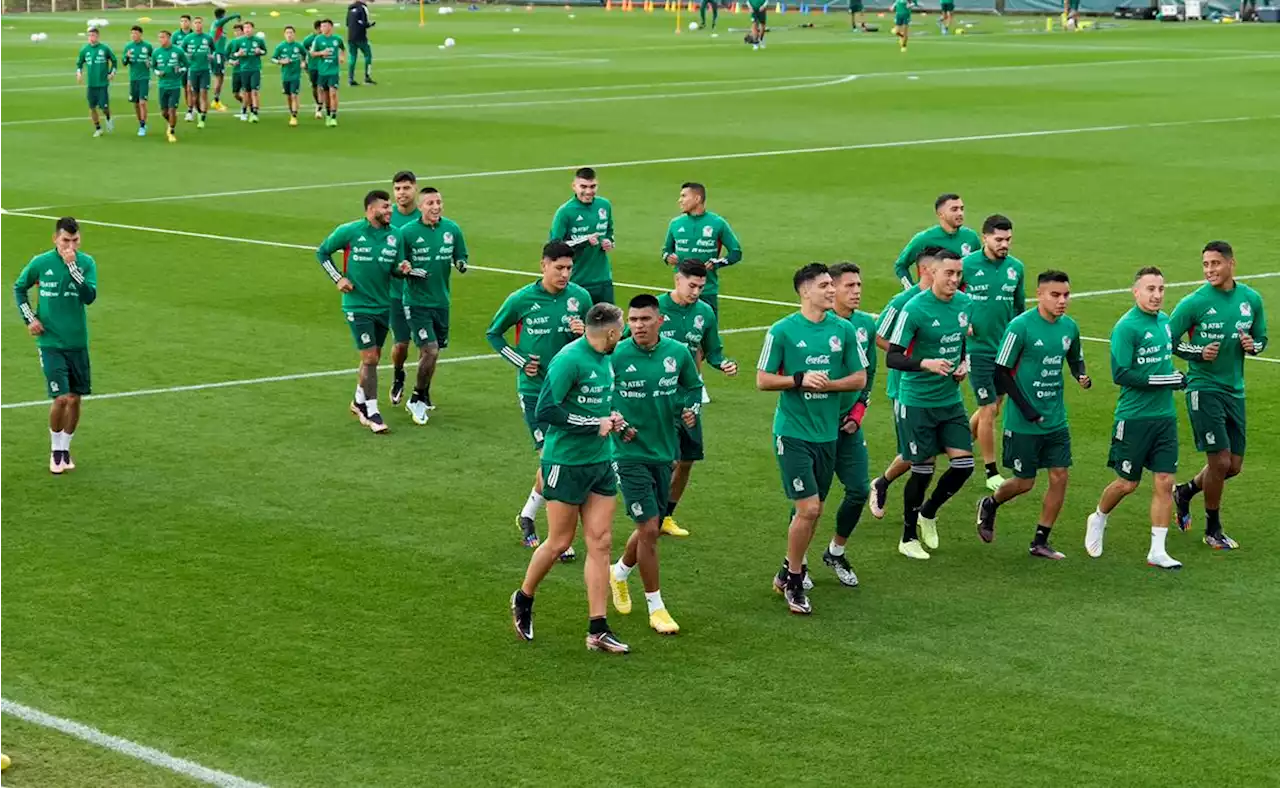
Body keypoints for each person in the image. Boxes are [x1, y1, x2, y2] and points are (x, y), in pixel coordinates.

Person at [510, 303, 630, 654]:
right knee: (560, 542)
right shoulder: (569, 359)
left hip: (600, 461)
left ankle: (598, 628)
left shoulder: (606, 357)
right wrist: (594, 425)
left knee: (602, 542)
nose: (621, 335)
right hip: (564, 462)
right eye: (619, 329)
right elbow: (547, 410)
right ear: (609, 332)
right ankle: (524, 596)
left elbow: (594, 404)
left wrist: (611, 417)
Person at [757, 263, 867, 615]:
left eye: (831, 286)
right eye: (824, 286)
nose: (832, 291)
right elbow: (762, 379)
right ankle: (794, 578)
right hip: (792, 432)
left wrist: (829, 384)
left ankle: (785, 569)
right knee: (810, 508)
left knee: (812, 511)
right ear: (805, 291)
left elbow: (859, 377)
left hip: (827, 433)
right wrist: (799, 379)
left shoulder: (844, 330)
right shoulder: (782, 331)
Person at [976, 270, 1090, 559]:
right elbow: (1001, 372)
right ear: (1039, 294)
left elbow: (1075, 358)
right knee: (1024, 482)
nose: (1062, 301)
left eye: (1066, 295)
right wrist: (1026, 409)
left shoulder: (1070, 328)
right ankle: (991, 503)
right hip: (1023, 421)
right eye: (1055, 295)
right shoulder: (1020, 327)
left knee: (1060, 475)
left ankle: (1040, 540)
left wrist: (1081, 375)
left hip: (1055, 418)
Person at [486, 242, 591, 553]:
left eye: (569, 268)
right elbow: (493, 333)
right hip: (536, 392)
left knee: (562, 458)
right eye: (558, 267)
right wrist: (520, 361)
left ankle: (527, 515)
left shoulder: (580, 297)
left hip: (570, 392)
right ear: (543, 265)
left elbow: (595, 340)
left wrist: (583, 332)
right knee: (552, 457)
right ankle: (558, 537)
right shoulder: (522, 299)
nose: (564, 274)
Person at [609, 295, 702, 635]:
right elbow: (597, 394)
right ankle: (656, 607)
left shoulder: (677, 353)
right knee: (649, 529)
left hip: (664, 452)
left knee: (650, 524)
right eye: (633, 320)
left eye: (645, 319)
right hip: (627, 453)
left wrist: (692, 408)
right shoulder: (616, 355)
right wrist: (615, 419)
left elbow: (693, 387)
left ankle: (618, 572)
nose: (638, 326)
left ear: (660, 320)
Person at [1085, 267, 1187, 569]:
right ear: (1136, 292)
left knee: (1165, 482)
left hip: (1164, 417)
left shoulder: (1165, 322)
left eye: (1161, 289)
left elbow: (1166, 361)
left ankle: (1157, 550)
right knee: (1127, 483)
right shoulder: (1126, 328)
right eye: (1150, 289)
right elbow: (1121, 374)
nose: (1157, 295)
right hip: (1134, 418)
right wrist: (1167, 380)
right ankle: (1099, 517)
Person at [1170, 241, 1267, 550]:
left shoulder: (1250, 299)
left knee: (1233, 466)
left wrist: (1254, 346)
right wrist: (1197, 352)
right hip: (1203, 387)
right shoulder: (1194, 302)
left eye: (1215, 263)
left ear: (1231, 264)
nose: (1209, 270)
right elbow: (1166, 340)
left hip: (1234, 390)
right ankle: (1213, 528)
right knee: (1220, 461)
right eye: (1205, 265)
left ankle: (1185, 491)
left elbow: (1262, 338)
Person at [885, 250, 976, 560]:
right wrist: (925, 362)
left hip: (950, 399)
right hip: (917, 401)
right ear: (932, 273)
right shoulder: (914, 309)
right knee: (922, 471)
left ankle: (929, 512)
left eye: (958, 274)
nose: (954, 280)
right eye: (948, 274)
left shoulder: (965, 304)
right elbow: (892, 356)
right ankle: (908, 536)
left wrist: (964, 363)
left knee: (964, 466)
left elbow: (961, 341)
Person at [314, 190, 413, 435]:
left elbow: (395, 268)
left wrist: (403, 268)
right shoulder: (350, 231)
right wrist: (338, 278)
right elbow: (322, 252)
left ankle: (358, 401)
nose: (389, 211)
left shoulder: (395, 236)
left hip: (383, 305)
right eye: (384, 207)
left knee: (373, 357)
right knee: (370, 358)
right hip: (357, 306)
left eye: (390, 207)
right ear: (370, 210)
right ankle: (372, 410)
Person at [655, 260, 738, 537]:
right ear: (677, 280)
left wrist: (723, 363)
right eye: (692, 285)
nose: (696, 292)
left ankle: (665, 516)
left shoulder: (705, 312)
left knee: (687, 460)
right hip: (657, 397)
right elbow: (626, 342)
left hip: (689, 397)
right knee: (668, 459)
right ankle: (650, 514)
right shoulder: (655, 309)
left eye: (701, 287)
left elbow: (713, 350)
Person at [12, 217, 98, 475]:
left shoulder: (86, 263)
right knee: (60, 398)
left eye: (74, 240)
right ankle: (55, 450)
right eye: (65, 241)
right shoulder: (41, 263)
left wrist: (73, 269)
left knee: (75, 399)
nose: (70, 246)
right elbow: (19, 288)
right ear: (55, 239)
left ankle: (65, 449)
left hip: (77, 342)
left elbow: (89, 297)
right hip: (50, 342)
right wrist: (30, 318)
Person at [868, 247, 939, 521]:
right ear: (925, 271)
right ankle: (885, 486)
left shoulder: (942, 302)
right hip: (906, 388)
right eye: (942, 271)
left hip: (936, 388)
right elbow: (879, 335)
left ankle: (916, 509)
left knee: (927, 452)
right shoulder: (903, 302)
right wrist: (915, 361)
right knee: (918, 453)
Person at [821, 262, 878, 587]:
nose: (857, 291)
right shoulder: (817, 326)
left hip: (848, 424)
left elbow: (867, 375)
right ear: (832, 289)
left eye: (859, 285)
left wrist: (858, 411)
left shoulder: (865, 326)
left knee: (858, 489)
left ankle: (835, 551)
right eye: (849, 286)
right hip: (815, 425)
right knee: (810, 501)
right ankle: (792, 565)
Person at [961, 214, 1025, 493]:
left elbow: (1020, 309)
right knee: (987, 408)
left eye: (1008, 239)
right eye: (998, 239)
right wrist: (963, 322)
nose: (1004, 244)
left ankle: (959, 443)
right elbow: (948, 297)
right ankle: (991, 471)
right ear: (984, 237)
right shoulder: (966, 266)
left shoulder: (1016, 268)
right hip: (978, 351)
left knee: (995, 406)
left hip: (1006, 350)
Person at [395, 187, 468, 424]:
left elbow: (461, 255)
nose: (436, 207)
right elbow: (398, 264)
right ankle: (415, 398)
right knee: (431, 349)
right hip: (416, 302)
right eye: (430, 203)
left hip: (441, 301)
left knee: (432, 354)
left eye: (439, 202)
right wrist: (407, 269)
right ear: (421, 206)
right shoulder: (407, 232)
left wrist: (460, 263)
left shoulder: (452, 229)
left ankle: (424, 393)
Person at [661, 182, 742, 316]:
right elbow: (666, 250)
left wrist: (718, 262)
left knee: (708, 334)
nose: (679, 200)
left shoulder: (717, 223)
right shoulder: (675, 224)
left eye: (684, 196)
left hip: (707, 291)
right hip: (681, 292)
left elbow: (736, 252)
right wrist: (667, 256)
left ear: (697, 199)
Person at [549, 167, 615, 305]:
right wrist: (584, 241)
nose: (588, 191)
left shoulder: (604, 205)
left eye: (593, 186)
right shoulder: (565, 212)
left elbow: (609, 231)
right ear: (574, 186)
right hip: (577, 280)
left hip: (603, 279)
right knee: (579, 325)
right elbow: (554, 247)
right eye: (583, 186)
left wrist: (608, 241)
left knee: (609, 323)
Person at [893, 193, 982, 289]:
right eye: (954, 209)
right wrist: (911, 290)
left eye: (962, 209)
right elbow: (900, 266)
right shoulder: (924, 239)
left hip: (960, 298)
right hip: (933, 298)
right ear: (941, 214)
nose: (960, 213)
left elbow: (979, 265)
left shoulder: (971, 237)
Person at [387, 170, 422, 407]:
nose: (402, 193)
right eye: (398, 189)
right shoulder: (387, 218)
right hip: (395, 294)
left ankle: (422, 392)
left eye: (406, 188)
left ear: (415, 189)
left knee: (428, 348)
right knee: (401, 344)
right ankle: (398, 373)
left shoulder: (426, 217)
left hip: (423, 296)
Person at [76, 27, 117, 138]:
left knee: (104, 108)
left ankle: (108, 117)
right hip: (91, 84)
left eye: (93, 35)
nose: (91, 38)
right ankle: (98, 128)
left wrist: (112, 73)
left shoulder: (104, 48)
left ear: (98, 36)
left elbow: (114, 61)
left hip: (103, 83)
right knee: (92, 107)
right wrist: (79, 73)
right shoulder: (85, 50)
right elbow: (79, 63)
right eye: (89, 36)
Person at [152, 30, 188, 144]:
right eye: (159, 37)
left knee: (172, 109)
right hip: (162, 85)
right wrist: (158, 73)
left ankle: (171, 131)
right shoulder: (156, 52)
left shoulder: (178, 51)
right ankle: (171, 123)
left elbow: (187, 65)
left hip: (175, 85)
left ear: (169, 38)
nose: (161, 40)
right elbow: (153, 67)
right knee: (164, 112)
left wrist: (180, 70)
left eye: (163, 37)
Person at [180, 16, 214, 128]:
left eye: (199, 23)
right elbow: (181, 52)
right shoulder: (188, 38)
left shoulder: (208, 38)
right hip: (193, 70)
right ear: (193, 25)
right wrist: (186, 56)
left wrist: (211, 56)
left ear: (202, 24)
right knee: (195, 95)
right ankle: (198, 111)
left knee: (204, 93)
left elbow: (213, 51)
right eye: (196, 23)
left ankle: (202, 118)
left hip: (205, 70)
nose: (198, 25)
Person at [310, 19, 345, 127]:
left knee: (333, 93)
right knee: (326, 95)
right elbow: (312, 53)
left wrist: (341, 57)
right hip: (322, 71)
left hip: (333, 71)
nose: (323, 28)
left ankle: (334, 117)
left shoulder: (337, 39)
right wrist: (321, 53)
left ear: (330, 27)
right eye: (322, 27)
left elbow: (343, 49)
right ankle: (328, 114)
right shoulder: (318, 39)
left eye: (325, 26)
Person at [231, 21, 266, 124]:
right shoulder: (239, 41)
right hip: (244, 70)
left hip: (255, 69)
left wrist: (260, 52)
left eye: (249, 27)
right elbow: (233, 54)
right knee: (246, 92)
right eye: (245, 28)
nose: (247, 29)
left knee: (254, 91)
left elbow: (265, 51)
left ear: (252, 29)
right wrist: (238, 54)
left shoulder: (258, 40)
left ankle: (254, 113)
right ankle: (244, 110)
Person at [272, 25, 306, 126]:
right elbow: (273, 58)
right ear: (284, 34)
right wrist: (280, 61)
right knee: (288, 97)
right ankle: (292, 112)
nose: (289, 35)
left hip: (295, 75)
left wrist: (303, 62)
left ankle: (294, 116)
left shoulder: (298, 46)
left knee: (294, 95)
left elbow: (305, 54)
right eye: (287, 33)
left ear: (294, 34)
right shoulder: (280, 47)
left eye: (291, 33)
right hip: (285, 76)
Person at [121, 26, 153, 137]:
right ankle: (141, 122)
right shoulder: (128, 47)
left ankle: (143, 126)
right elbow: (124, 63)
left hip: (144, 78)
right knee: (135, 104)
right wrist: (127, 57)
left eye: (135, 33)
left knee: (142, 102)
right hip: (133, 78)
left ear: (140, 34)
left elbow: (153, 60)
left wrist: (150, 64)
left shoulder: (147, 46)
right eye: (132, 33)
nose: (133, 35)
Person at [210, 9, 241, 111]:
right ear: (222, 15)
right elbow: (225, 20)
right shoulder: (217, 23)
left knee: (220, 78)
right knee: (219, 78)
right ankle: (215, 101)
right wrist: (235, 15)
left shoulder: (218, 26)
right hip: (217, 54)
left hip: (219, 54)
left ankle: (216, 100)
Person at [345, 0, 376, 86]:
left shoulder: (350, 7)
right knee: (368, 55)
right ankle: (367, 77)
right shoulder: (363, 8)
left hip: (350, 36)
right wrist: (371, 25)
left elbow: (347, 23)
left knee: (352, 57)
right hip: (360, 37)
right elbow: (364, 23)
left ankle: (350, 78)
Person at [301, 20, 324, 120]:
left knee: (321, 87)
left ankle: (320, 108)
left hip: (324, 67)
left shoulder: (326, 39)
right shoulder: (309, 40)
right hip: (312, 66)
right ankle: (318, 104)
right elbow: (302, 51)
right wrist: (303, 61)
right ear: (318, 28)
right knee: (314, 87)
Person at [172, 14, 193, 118]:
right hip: (182, 66)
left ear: (190, 22)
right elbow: (172, 49)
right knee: (186, 88)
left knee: (191, 88)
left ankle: (190, 109)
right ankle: (190, 108)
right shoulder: (176, 35)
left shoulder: (194, 34)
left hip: (194, 65)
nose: (184, 23)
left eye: (185, 21)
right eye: (182, 21)